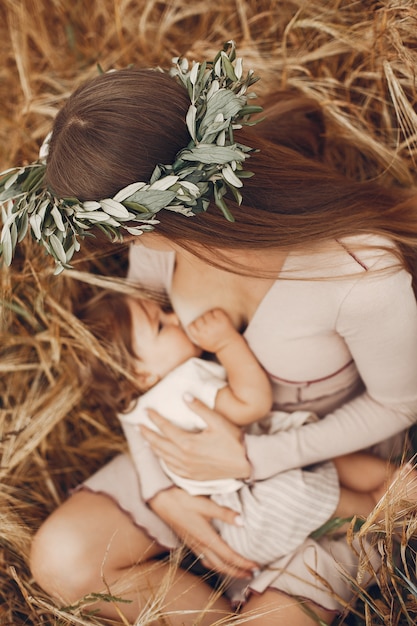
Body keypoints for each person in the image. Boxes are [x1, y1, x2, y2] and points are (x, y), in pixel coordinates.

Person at [17, 49, 417, 625]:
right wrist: (163, 492)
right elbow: (148, 378)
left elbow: (399, 402)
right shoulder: (160, 248)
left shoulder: (358, 269)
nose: (114, 239)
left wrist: (257, 457)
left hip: (326, 456)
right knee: (62, 560)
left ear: (152, 210)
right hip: (196, 440)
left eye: (111, 227)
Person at [79, 290, 406, 567]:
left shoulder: (135, 407)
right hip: (261, 503)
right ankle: (378, 506)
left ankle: (387, 488)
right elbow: (252, 403)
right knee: (327, 492)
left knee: (318, 466)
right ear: (141, 376)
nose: (176, 318)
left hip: (236, 517)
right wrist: (226, 344)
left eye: (165, 312)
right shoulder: (184, 383)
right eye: (161, 326)